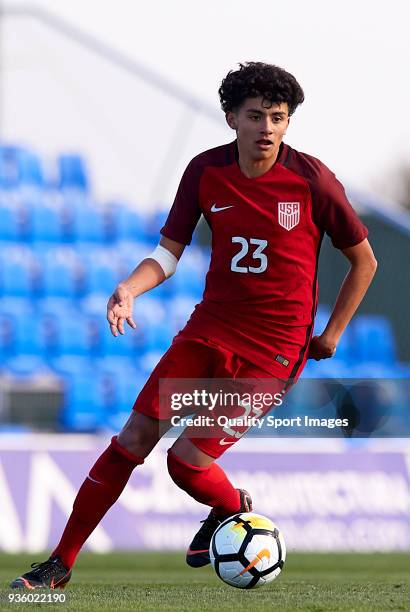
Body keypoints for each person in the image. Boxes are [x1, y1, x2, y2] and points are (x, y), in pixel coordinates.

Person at [11, 62, 377, 589]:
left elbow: (363, 259)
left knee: (185, 465)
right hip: (210, 332)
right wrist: (129, 289)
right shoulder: (206, 171)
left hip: (272, 352)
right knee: (134, 437)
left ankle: (231, 506)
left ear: (288, 122)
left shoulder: (311, 179)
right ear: (232, 118)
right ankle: (59, 565)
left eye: (278, 118)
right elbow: (167, 252)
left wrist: (333, 333)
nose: (268, 128)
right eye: (256, 116)